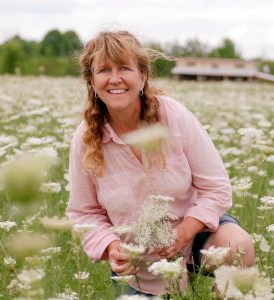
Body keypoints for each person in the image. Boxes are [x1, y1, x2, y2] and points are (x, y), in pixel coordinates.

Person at [66, 30, 255, 296]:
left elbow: (217, 188)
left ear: (142, 76)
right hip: (140, 264)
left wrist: (185, 231)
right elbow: (83, 213)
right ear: (92, 82)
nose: (115, 78)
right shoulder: (85, 139)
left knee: (239, 247)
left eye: (124, 68)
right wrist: (111, 248)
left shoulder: (172, 115)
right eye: (104, 70)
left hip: (198, 235)